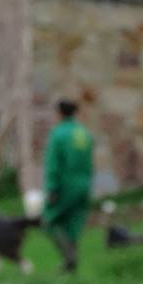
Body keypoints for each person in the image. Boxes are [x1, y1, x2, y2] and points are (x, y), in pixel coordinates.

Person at [43, 99, 94, 273]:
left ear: (59, 113)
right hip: (83, 184)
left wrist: (52, 188)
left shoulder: (58, 134)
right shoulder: (84, 132)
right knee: (74, 223)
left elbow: (53, 164)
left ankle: (68, 259)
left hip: (66, 184)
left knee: (50, 221)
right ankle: (73, 262)